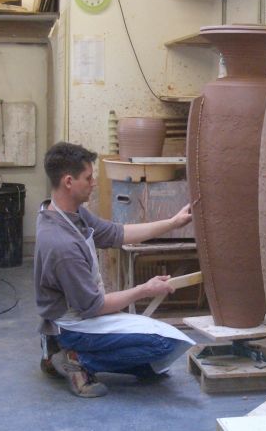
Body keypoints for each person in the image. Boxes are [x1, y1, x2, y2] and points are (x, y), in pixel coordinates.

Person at [34, 142, 195, 397]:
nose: (94, 182)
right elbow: (94, 307)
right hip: (75, 324)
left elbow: (116, 233)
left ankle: (55, 350)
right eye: (88, 177)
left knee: (152, 368)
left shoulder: (68, 213)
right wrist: (145, 289)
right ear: (68, 182)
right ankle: (76, 359)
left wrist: (173, 223)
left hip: (80, 312)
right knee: (163, 344)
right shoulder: (61, 244)